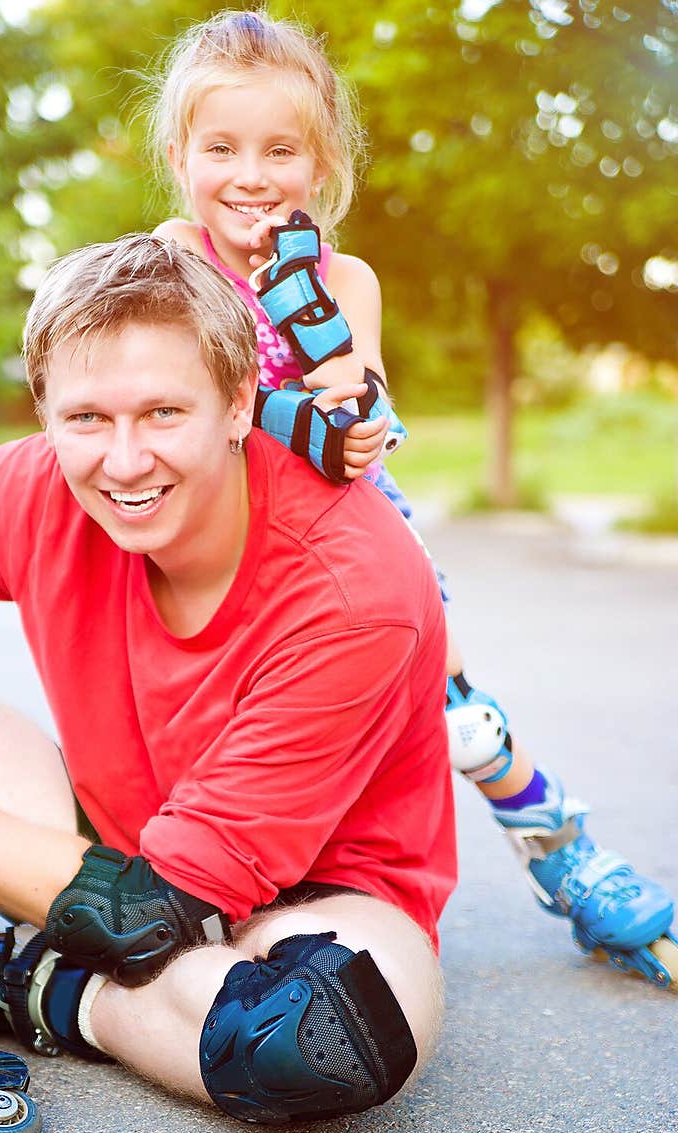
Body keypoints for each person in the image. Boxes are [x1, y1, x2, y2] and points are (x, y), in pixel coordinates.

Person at [0, 232, 456, 1133]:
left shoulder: (357, 588)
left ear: (237, 403)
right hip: (96, 835)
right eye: (88, 420)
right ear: (44, 412)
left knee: (315, 1040)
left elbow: (153, 909)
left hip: (311, 898)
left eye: (163, 413)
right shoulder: (37, 486)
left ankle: (43, 985)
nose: (125, 460)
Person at [147, 7, 676, 989]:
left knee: (456, 710)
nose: (249, 175)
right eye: (221, 147)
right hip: (220, 516)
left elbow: (365, 397)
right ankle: (204, 869)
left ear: (321, 161)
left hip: (341, 511)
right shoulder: (175, 253)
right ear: (181, 156)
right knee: (215, 704)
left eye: (279, 150)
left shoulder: (343, 274)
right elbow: (173, 381)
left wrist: (342, 391)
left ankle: (562, 850)